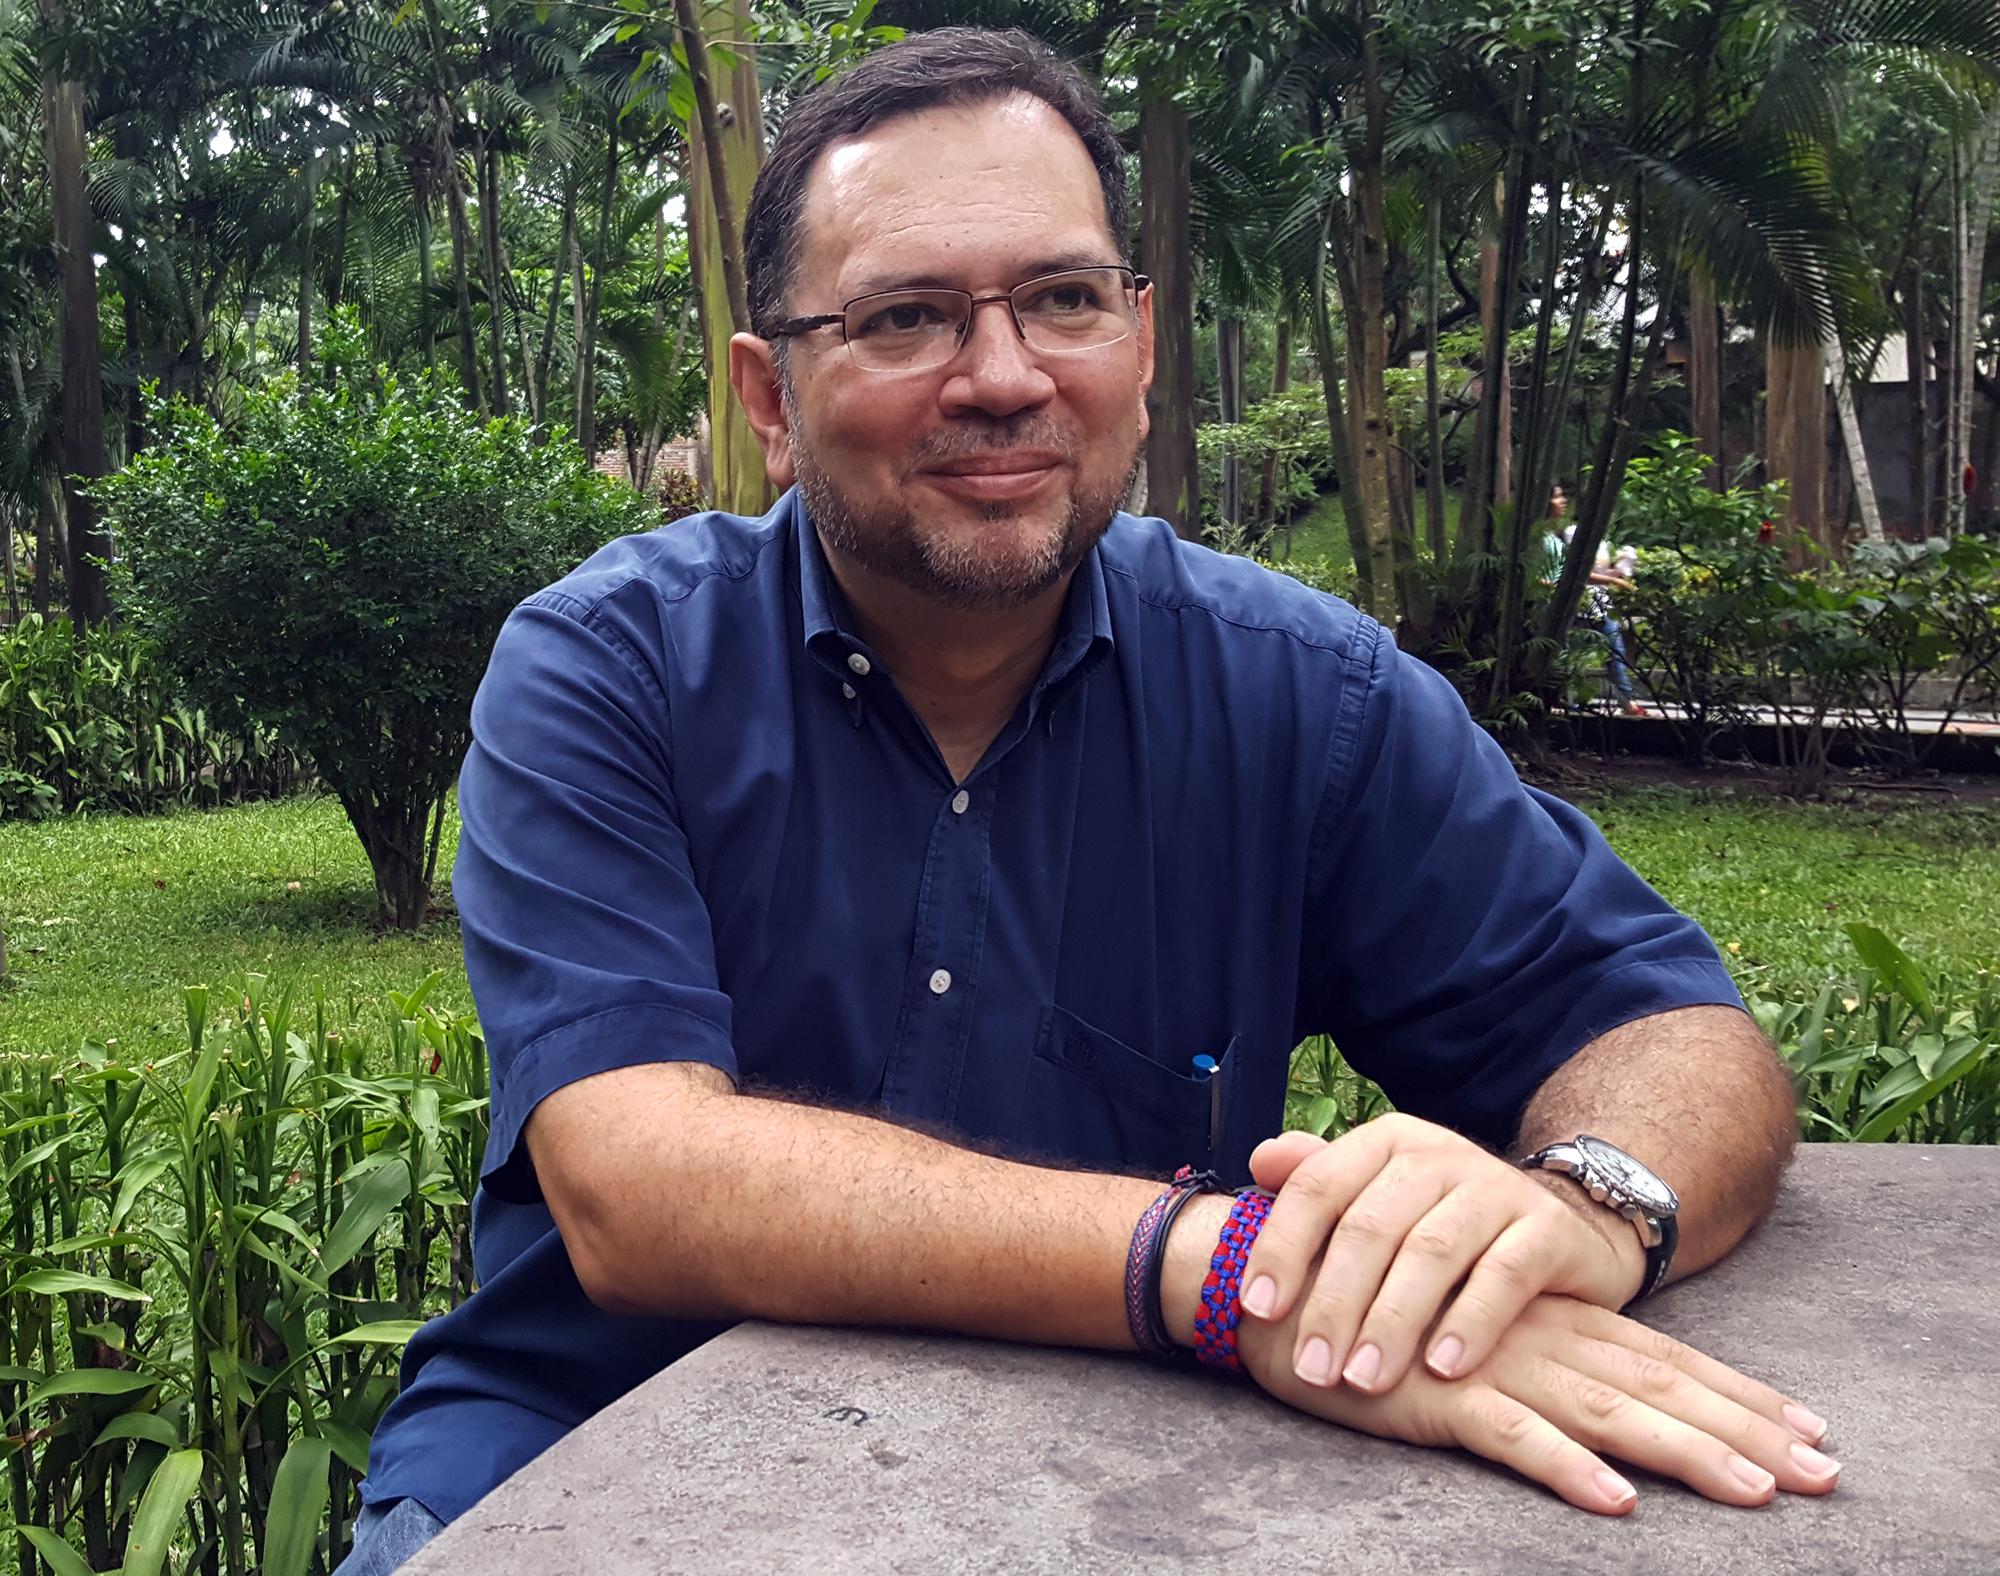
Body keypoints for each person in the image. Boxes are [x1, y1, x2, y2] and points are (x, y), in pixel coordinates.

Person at [340, 29, 1831, 1574]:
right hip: (580, 1461)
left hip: (1109, 1484)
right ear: (769, 400)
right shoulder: (607, 668)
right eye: (907, 317)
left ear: (1139, 341)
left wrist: (1585, 1215)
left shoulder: (1301, 696)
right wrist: (1228, 1268)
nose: (1002, 378)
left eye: (1060, 300)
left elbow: (1670, 1031)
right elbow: (640, 1181)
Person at [1544, 484, 1645, 717]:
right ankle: (1572, 700)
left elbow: (1590, 571)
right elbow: (1576, 571)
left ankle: (1623, 700)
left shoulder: (1597, 538)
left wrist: (1620, 570)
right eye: (1557, 496)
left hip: (1593, 599)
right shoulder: (1570, 534)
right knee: (1577, 650)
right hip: (1577, 600)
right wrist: (1617, 582)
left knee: (1611, 645)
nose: (1563, 501)